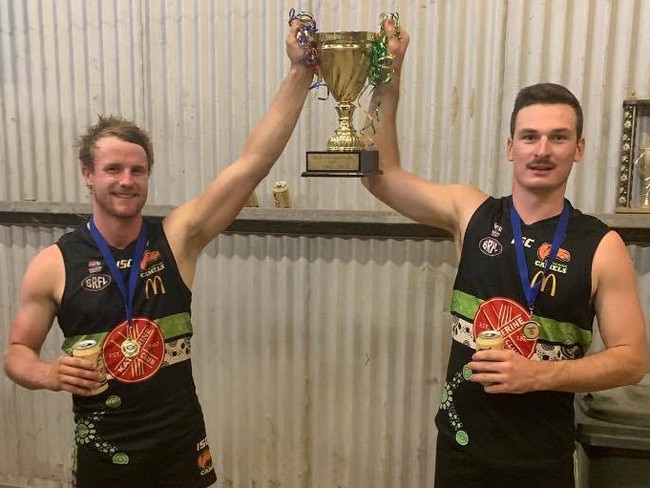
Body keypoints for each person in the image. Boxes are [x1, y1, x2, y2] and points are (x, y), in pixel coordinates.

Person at [3, 19, 314, 488]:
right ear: (88, 173)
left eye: (137, 169)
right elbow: (17, 353)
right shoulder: (54, 263)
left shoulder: (177, 239)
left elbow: (253, 164)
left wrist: (300, 72)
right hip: (104, 457)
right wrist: (47, 373)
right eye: (113, 169)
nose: (126, 180)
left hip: (179, 449)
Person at [363, 18, 648, 488]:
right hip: (461, 451)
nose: (542, 149)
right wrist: (387, 81)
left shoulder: (601, 246)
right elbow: (380, 176)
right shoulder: (470, 211)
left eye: (558, 137)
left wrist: (537, 375)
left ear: (578, 149)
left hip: (540, 462)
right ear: (509, 147)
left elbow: (633, 359)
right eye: (530, 136)